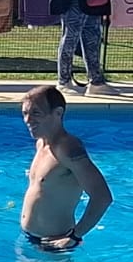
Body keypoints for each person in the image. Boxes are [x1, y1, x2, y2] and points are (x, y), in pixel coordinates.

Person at [19, 85, 112, 252]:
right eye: (25, 113)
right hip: (29, 237)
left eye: (36, 113)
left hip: (54, 244)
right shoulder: (41, 143)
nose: (28, 120)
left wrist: (74, 237)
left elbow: (102, 196)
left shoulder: (68, 149)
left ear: (58, 113)